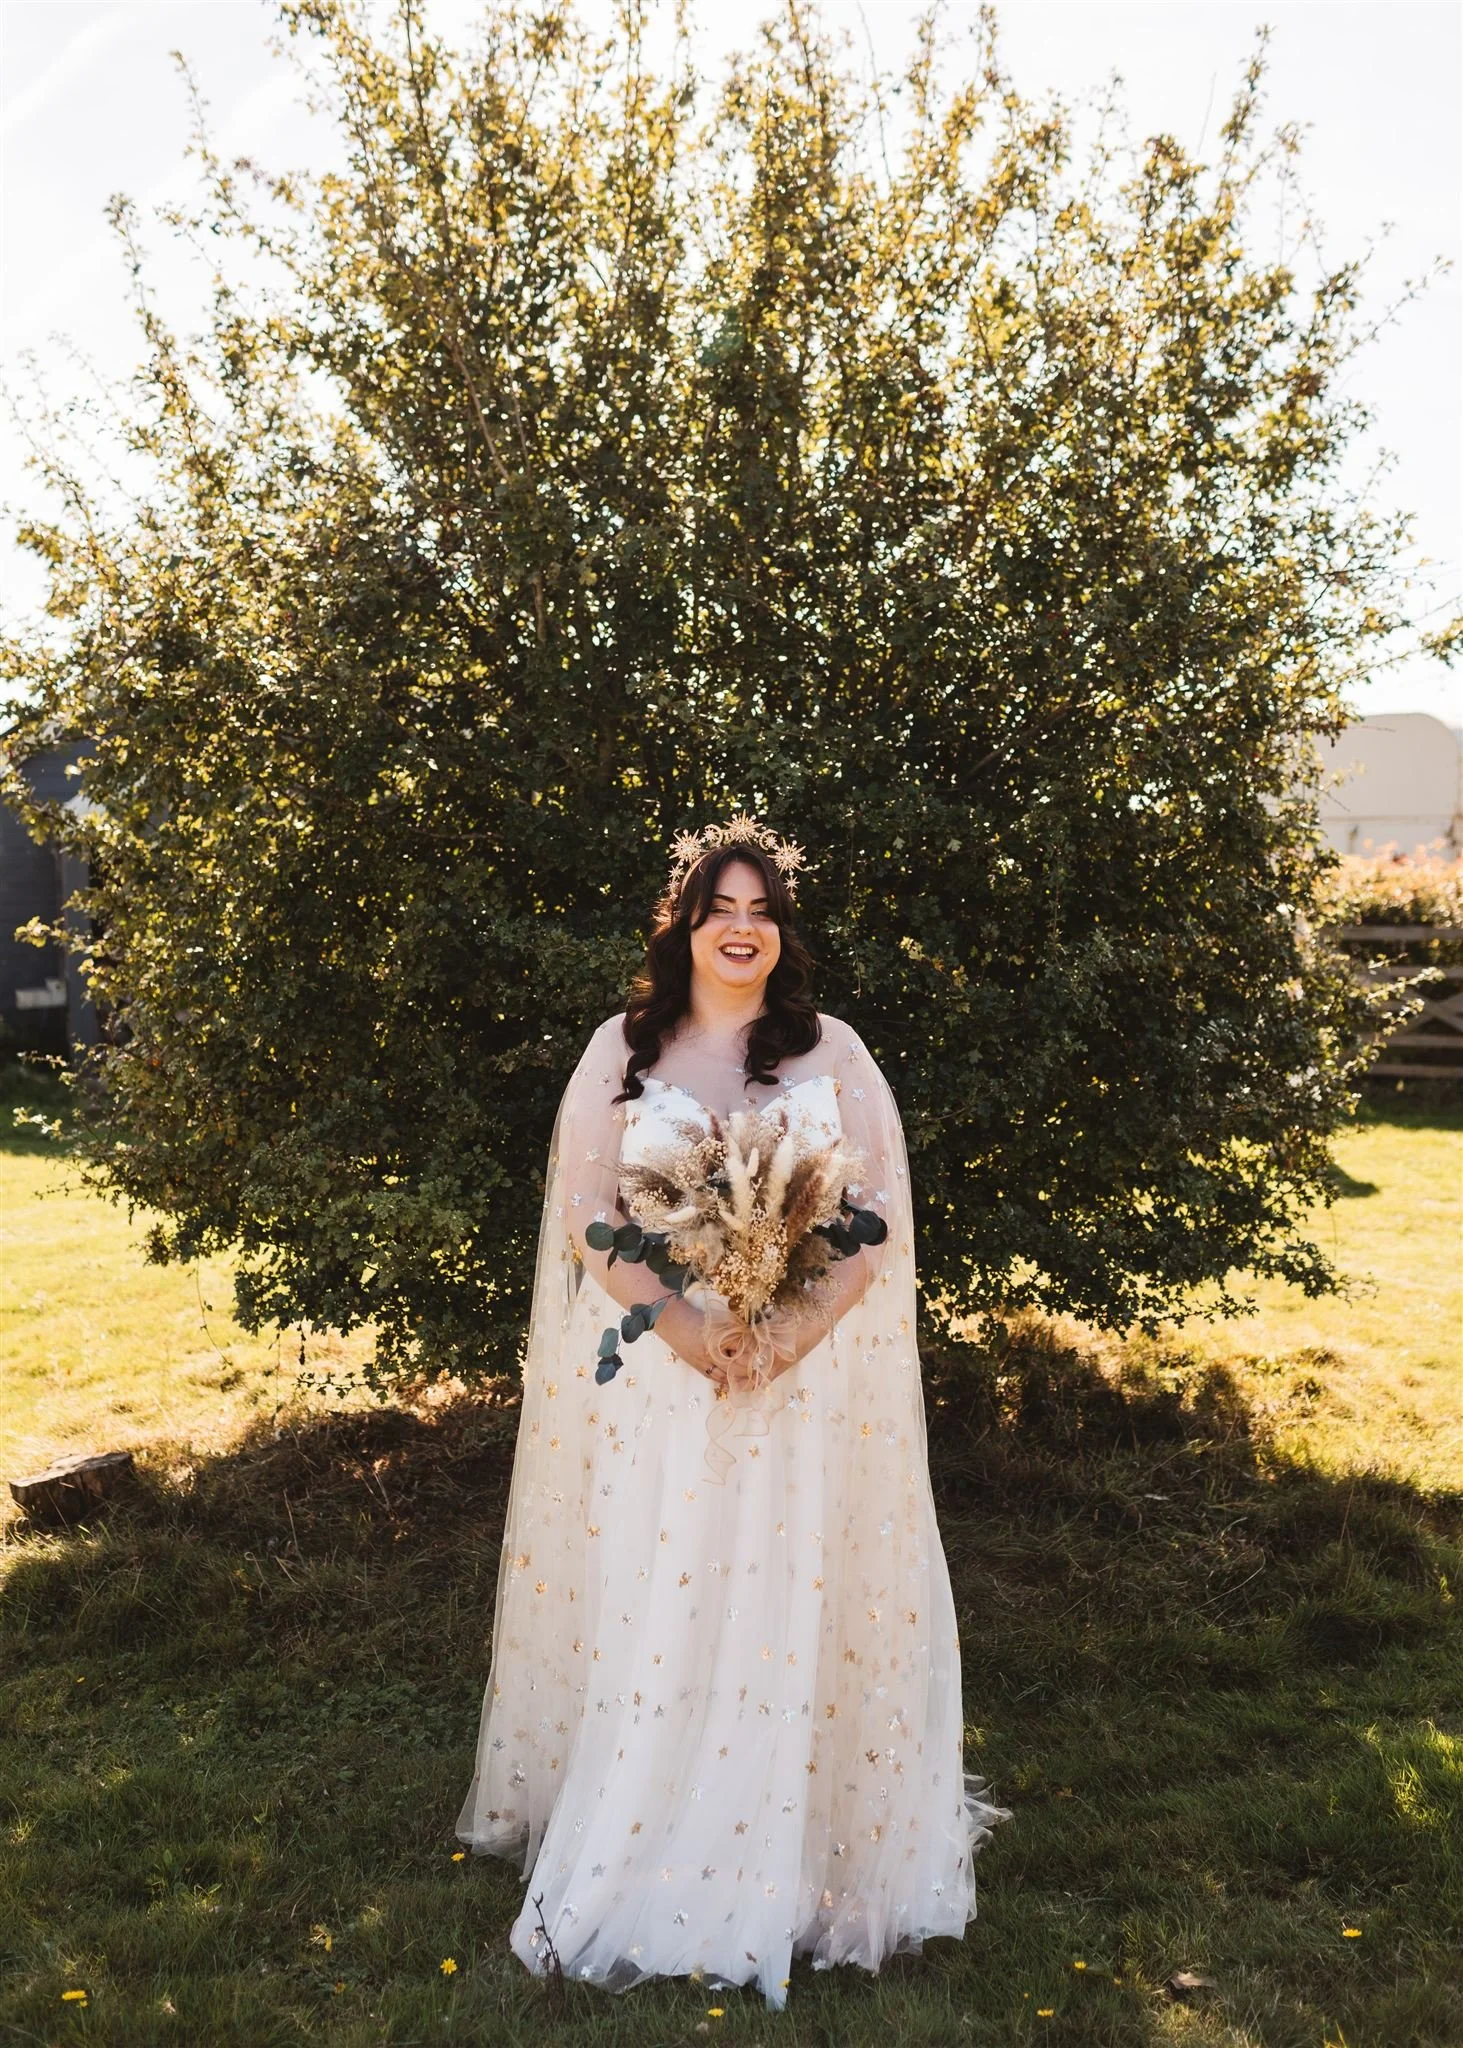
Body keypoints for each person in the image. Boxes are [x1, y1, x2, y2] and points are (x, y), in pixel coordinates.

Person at [455, 813, 1011, 2009]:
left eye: (763, 910)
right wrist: (688, 1327)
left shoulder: (834, 1053)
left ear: (780, 931)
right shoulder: (623, 1047)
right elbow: (588, 1213)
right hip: (669, 1377)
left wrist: (791, 1330)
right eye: (723, 909)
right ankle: (655, 1832)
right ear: (687, 924)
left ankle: (809, 1855)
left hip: (807, 1384)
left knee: (796, 1586)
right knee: (677, 1589)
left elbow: (877, 1219)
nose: (744, 928)